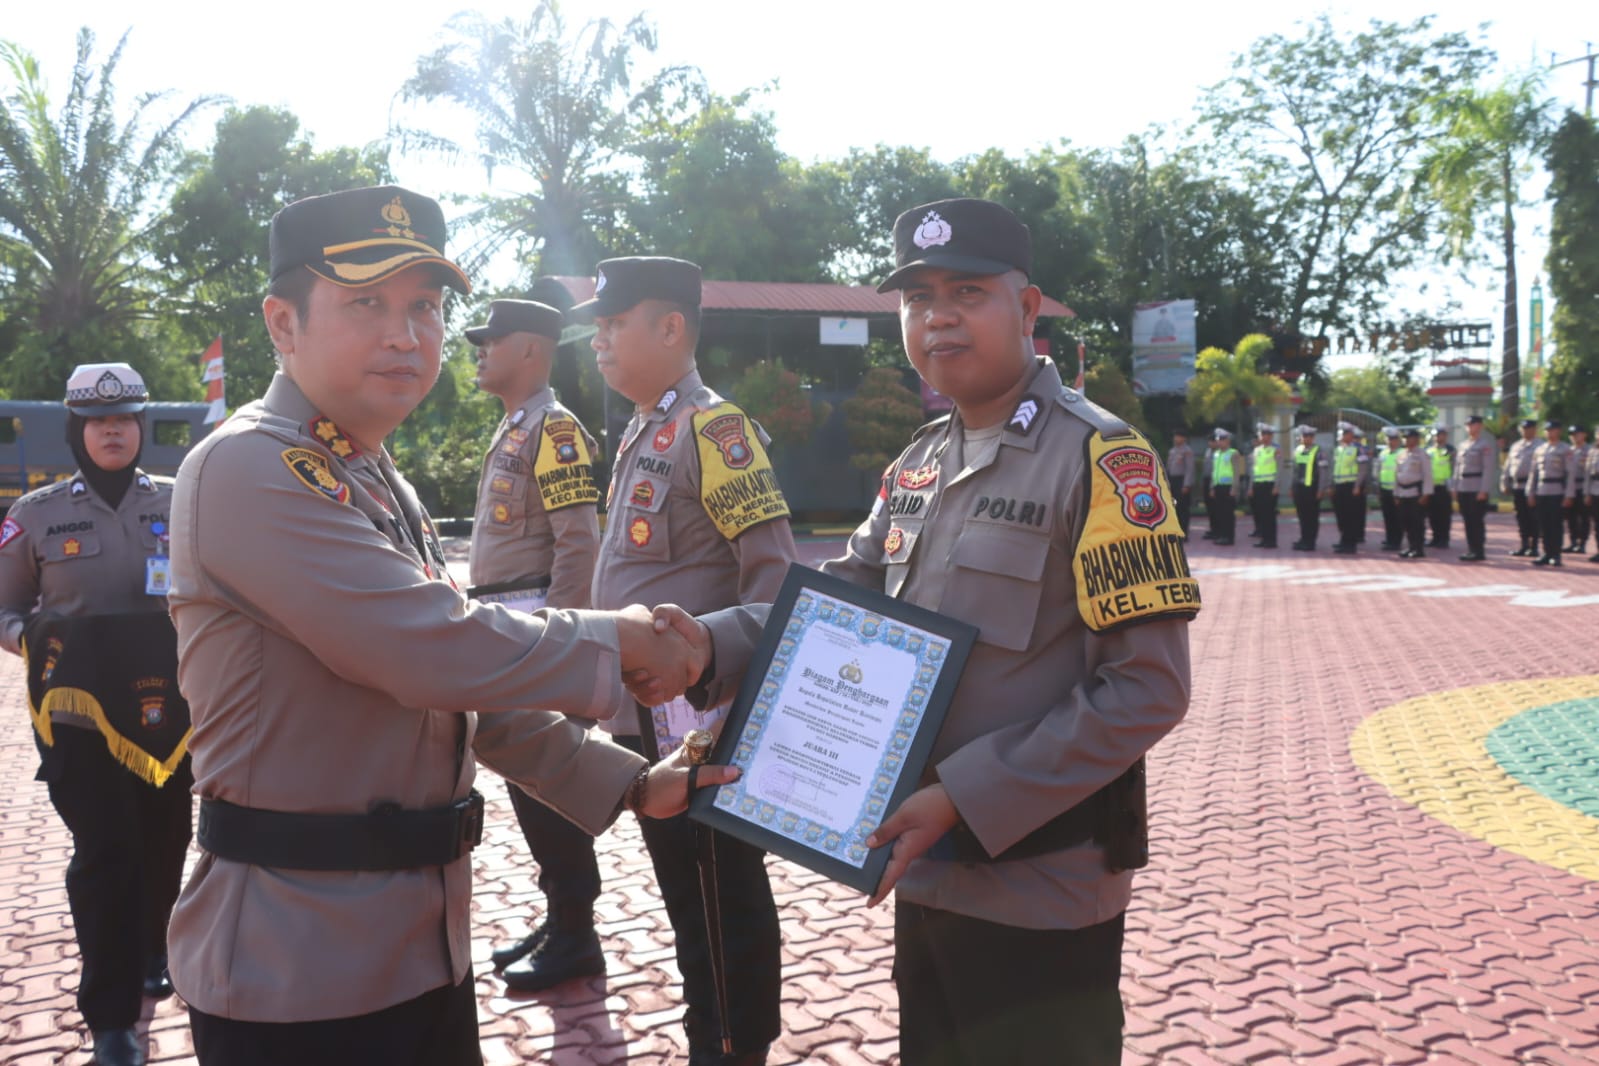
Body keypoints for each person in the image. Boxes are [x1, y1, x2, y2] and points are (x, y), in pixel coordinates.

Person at [163, 185, 725, 1066]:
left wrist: (626, 784)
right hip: (296, 966)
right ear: (282, 322)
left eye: (423, 306)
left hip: (418, 947)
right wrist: (622, 638)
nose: (406, 333)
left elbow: (463, 695)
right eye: (365, 303)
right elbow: (429, 648)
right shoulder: (245, 468)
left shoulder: (371, 476)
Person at [657, 198, 1198, 1065]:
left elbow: (1147, 688)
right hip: (926, 868)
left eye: (965, 291)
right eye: (916, 298)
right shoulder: (918, 463)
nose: (936, 315)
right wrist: (707, 644)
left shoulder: (1100, 461)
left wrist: (964, 797)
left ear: (1026, 312)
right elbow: (831, 610)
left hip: (1039, 884)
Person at [581, 255, 797, 1065]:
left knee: (721, 898)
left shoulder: (717, 430)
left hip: (702, 718)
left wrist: (718, 682)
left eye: (613, 323)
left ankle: (735, 1045)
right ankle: (710, 1032)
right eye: (596, 327)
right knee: (686, 897)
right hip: (646, 711)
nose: (598, 341)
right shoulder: (644, 425)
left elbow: (774, 588)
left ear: (670, 327)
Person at [0, 363, 193, 1066]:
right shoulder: (37, 514)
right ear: (77, 431)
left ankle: (153, 951)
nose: (113, 430)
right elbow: (6, 606)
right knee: (107, 857)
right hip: (80, 723)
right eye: (97, 420)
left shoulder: (182, 502)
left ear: (140, 428)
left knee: (168, 841)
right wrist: (34, 642)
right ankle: (111, 1016)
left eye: (125, 419)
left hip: (171, 720)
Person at [462, 289, 612, 992]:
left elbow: (578, 542)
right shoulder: (516, 426)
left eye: (490, 341)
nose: (480, 353)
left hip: (535, 636)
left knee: (552, 783)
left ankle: (577, 934)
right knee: (531, 785)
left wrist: (557, 645)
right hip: (506, 631)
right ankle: (561, 918)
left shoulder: (553, 430)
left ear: (528, 348)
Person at [1527, 420, 1577, 568]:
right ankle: (1546, 553)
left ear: (1559, 431)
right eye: (1547, 430)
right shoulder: (1540, 449)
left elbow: (1570, 473)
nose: (1549, 433)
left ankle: (1556, 554)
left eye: (1553, 430)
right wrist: (1530, 493)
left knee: (1555, 524)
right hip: (1542, 490)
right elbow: (1533, 473)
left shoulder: (1565, 449)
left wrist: (1569, 494)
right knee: (1543, 524)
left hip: (1556, 490)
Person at [1451, 414, 1496, 562]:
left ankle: (1479, 550)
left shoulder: (1484, 445)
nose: (1471, 428)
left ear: (1480, 426)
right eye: (1469, 425)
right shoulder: (1462, 445)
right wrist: (1455, 487)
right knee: (1468, 520)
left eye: (1474, 424)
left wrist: (1484, 490)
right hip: (1464, 487)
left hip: (1477, 487)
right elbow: (1457, 468)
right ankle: (1471, 549)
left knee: (1477, 520)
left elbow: (1488, 469)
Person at [1393, 427, 1434, 558]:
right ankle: (1410, 546)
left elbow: (1427, 475)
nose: (1407, 440)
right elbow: (1397, 475)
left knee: (1417, 522)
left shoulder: (1422, 454)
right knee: (1405, 521)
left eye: (1410, 438)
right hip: (1403, 492)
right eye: (1405, 438)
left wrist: (1426, 493)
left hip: (1416, 492)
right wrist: (1396, 493)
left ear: (1416, 439)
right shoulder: (1401, 455)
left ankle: (1418, 548)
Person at [1502, 418, 1540, 556]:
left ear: (1534, 429)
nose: (1526, 431)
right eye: (1523, 429)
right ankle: (1524, 545)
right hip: (1517, 485)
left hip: (1532, 487)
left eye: (1529, 428)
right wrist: (1504, 482)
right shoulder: (1516, 446)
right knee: (1521, 517)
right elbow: (1508, 466)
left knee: (1533, 517)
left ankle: (1534, 546)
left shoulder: (1540, 445)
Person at [1291, 425, 1329, 551]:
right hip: (1299, 488)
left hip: (1312, 489)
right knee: (1302, 516)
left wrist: (1320, 490)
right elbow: (1295, 471)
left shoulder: (1319, 451)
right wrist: (1292, 486)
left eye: (1309, 436)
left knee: (1311, 516)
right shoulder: (1298, 450)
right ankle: (1303, 539)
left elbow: (1323, 472)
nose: (1306, 439)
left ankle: (1310, 541)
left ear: (1313, 438)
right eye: (1304, 436)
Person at [1247, 423, 1285, 549]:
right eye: (1263, 434)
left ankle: (1271, 540)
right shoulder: (1257, 450)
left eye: (1268, 434)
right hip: (1258, 485)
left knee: (1269, 514)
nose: (1265, 437)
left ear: (1272, 436)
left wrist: (1276, 486)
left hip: (1270, 485)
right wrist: (1251, 487)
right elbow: (1253, 470)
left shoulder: (1276, 449)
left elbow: (1279, 469)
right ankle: (1263, 538)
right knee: (1261, 513)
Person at [1330, 422, 1364, 554]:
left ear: (1350, 435)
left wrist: (1357, 486)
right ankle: (1343, 540)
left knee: (1350, 516)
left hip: (1351, 485)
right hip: (1339, 485)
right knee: (1341, 515)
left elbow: (1363, 469)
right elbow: (1334, 468)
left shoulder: (1358, 448)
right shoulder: (1338, 449)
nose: (1343, 435)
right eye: (1341, 433)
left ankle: (1350, 544)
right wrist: (1332, 485)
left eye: (1345, 433)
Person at [1206, 428, 1240, 545]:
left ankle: (1229, 537)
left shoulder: (1233, 453)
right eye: (1218, 440)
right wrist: (1211, 487)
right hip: (1218, 486)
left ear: (1228, 441)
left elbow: (1236, 472)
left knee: (1228, 514)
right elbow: (1214, 472)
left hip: (1228, 487)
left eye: (1222, 440)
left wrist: (1234, 488)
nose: (1220, 442)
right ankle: (1221, 535)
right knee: (1219, 513)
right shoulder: (1216, 454)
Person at [1426, 425, 1456, 548]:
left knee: (1444, 514)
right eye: (1436, 435)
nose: (1438, 437)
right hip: (1431, 486)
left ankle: (1444, 539)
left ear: (1446, 436)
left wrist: (1453, 487)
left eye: (1441, 435)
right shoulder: (1428, 451)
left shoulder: (1451, 450)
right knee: (1432, 514)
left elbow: (1455, 469)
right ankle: (1435, 537)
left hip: (1445, 487)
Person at [1165, 429, 1194, 538]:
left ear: (1184, 438)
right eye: (1175, 436)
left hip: (1182, 481)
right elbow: (1168, 467)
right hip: (1173, 481)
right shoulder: (1172, 451)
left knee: (1183, 508)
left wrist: (1186, 484)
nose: (1176, 438)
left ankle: (1184, 532)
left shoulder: (1187, 451)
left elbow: (1189, 469)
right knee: (1174, 507)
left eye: (1178, 436)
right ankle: (1175, 530)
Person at [1376, 427, 1402, 549]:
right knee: (1387, 516)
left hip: (1396, 490)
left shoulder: (1402, 453)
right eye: (1389, 439)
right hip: (1384, 489)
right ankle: (1389, 538)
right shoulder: (1383, 453)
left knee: (1397, 517)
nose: (1391, 441)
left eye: (1393, 439)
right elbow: (1379, 470)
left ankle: (1396, 541)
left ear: (1398, 440)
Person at [1566, 425, 1590, 555]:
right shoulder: (1568, 451)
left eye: (1577, 434)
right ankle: (1573, 541)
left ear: (1584, 435)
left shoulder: (1589, 450)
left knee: (1584, 517)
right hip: (1570, 488)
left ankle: (1582, 543)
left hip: (1583, 487)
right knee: (1571, 517)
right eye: (1572, 434)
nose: (1574, 437)